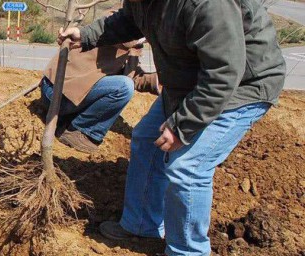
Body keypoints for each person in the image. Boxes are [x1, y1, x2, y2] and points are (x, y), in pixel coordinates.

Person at [58, 0, 286, 255]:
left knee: (188, 169)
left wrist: (183, 125)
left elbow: (223, 72)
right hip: (190, 80)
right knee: (147, 139)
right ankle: (142, 224)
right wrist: (86, 34)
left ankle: (187, 251)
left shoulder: (208, 4)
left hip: (241, 85)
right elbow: (130, 20)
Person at [41, 39, 160, 153]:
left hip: (69, 94)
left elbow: (129, 75)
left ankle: (69, 120)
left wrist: (159, 81)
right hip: (55, 93)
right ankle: (77, 130)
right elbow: (124, 39)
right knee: (124, 87)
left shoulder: (134, 44)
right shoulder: (119, 29)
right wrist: (151, 35)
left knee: (123, 84)